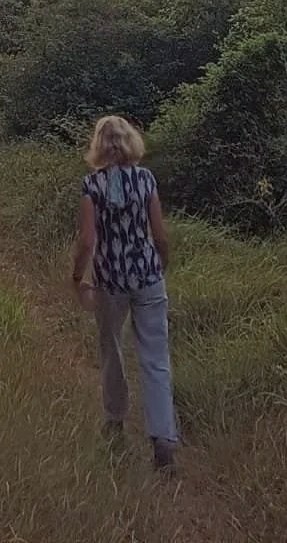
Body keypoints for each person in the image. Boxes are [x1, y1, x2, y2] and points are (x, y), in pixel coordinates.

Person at [72, 115, 178, 472]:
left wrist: (77, 277)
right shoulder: (146, 179)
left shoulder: (92, 185)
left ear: (99, 146)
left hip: (111, 281)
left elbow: (88, 240)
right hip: (148, 276)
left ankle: (115, 420)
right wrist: (160, 263)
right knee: (155, 357)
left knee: (112, 349)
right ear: (131, 142)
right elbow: (159, 234)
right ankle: (163, 437)